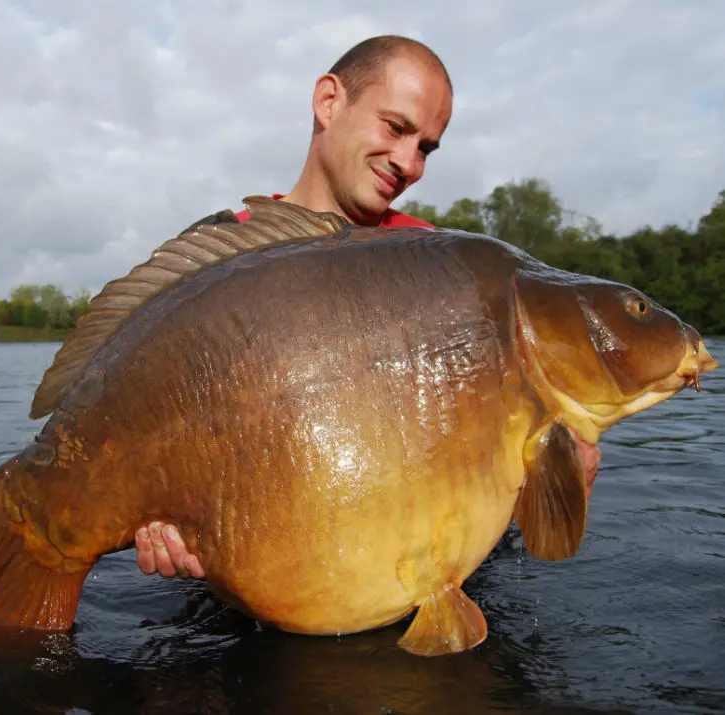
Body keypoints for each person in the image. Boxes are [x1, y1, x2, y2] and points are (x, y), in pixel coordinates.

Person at [134, 34, 602, 580]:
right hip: (236, 600)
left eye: (426, 147)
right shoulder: (215, 260)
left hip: (410, 592)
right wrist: (154, 515)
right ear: (329, 101)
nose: (408, 162)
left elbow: (479, 494)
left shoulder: (446, 270)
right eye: (396, 128)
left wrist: (546, 483)